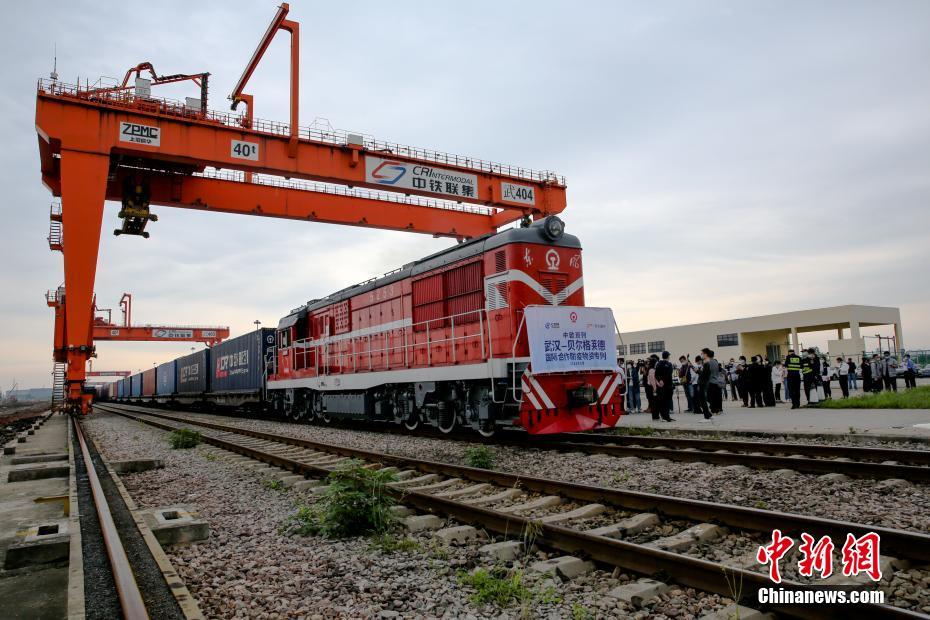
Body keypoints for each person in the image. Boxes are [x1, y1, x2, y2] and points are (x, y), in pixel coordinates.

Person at [702, 348, 725, 414]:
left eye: (703, 354)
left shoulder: (707, 362)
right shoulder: (715, 362)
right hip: (716, 381)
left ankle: (714, 410)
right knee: (716, 396)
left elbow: (705, 373)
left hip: (710, 381)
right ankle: (718, 410)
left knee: (711, 397)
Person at [654, 351, 675, 422]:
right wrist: (663, 380)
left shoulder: (658, 364)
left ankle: (665, 416)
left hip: (661, 385)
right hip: (668, 385)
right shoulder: (669, 364)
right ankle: (666, 417)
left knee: (663, 401)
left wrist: (660, 380)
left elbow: (656, 374)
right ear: (668, 356)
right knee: (667, 401)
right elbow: (669, 374)